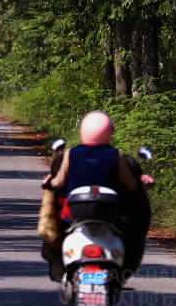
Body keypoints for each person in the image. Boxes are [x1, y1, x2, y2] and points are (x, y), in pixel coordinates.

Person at [37, 110, 152, 282]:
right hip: (109, 212)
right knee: (131, 229)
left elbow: (59, 183)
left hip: (76, 212)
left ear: (83, 130)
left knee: (59, 228)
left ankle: (61, 269)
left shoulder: (71, 153)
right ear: (109, 132)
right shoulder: (116, 155)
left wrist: (49, 182)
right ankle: (119, 273)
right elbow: (131, 185)